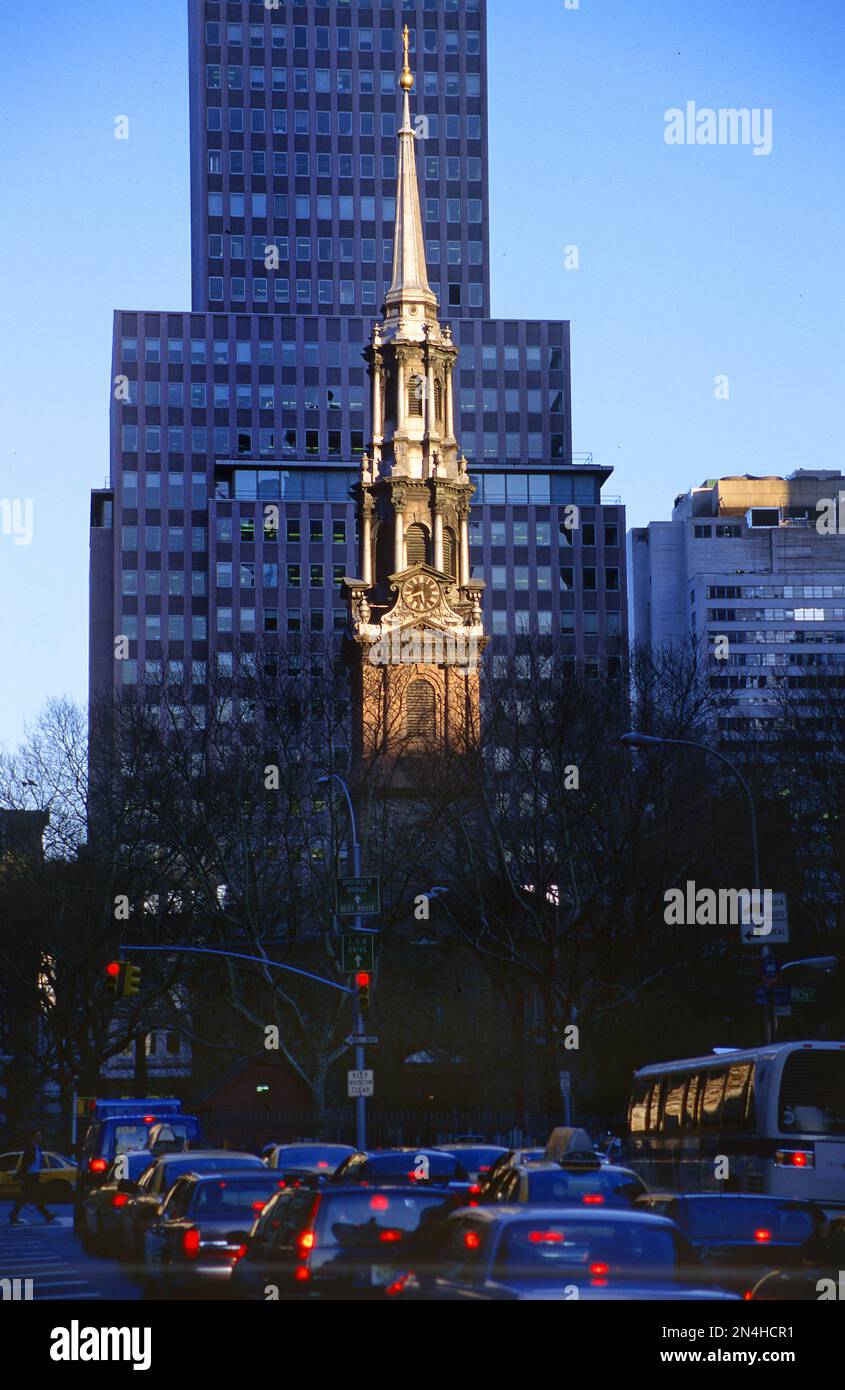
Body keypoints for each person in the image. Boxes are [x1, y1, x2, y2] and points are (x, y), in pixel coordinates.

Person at [9, 1129, 57, 1226]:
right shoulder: (30, 1148)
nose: (40, 1137)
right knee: (35, 1197)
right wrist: (20, 1175)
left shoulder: (37, 1148)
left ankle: (13, 1216)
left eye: (40, 1135)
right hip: (30, 1177)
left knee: (26, 1197)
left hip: (34, 1176)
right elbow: (25, 1163)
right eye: (38, 1135)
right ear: (33, 1137)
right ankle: (47, 1215)